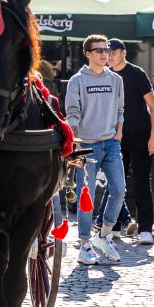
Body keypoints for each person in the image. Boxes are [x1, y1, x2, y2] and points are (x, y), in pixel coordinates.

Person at [65, 34, 125, 265]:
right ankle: (84, 244)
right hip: (86, 146)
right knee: (85, 196)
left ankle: (103, 235)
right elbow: (72, 113)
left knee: (119, 189)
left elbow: (120, 109)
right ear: (88, 53)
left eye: (106, 49)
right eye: (98, 50)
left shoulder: (116, 80)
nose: (104, 54)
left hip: (111, 143)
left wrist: (118, 133)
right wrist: (76, 141)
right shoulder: (77, 81)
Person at [103, 38, 154, 245]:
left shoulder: (137, 74)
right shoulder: (105, 75)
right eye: (107, 53)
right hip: (114, 137)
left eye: (113, 52)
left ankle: (145, 229)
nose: (109, 56)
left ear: (123, 53)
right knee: (116, 184)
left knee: (142, 183)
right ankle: (115, 226)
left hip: (140, 135)